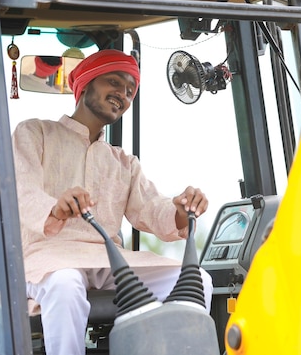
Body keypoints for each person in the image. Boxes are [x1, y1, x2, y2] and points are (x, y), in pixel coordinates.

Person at [12, 49, 213, 355]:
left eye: (130, 91)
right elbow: (21, 193)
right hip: (47, 257)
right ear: (87, 83)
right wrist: (54, 207)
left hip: (108, 261)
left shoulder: (123, 162)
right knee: (65, 285)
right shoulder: (35, 132)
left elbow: (152, 209)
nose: (123, 94)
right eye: (115, 82)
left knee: (198, 279)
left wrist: (183, 210)